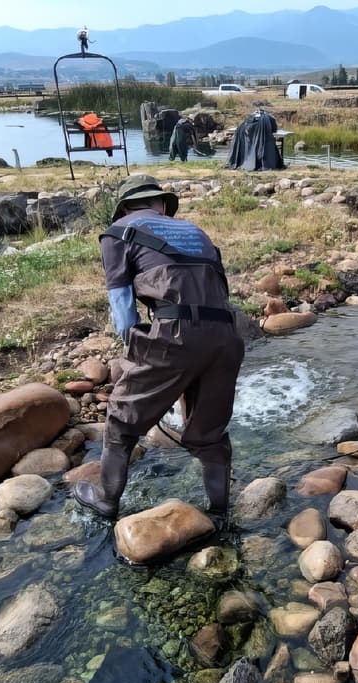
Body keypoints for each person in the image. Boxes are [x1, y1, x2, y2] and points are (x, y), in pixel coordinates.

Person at [73, 175, 244, 527]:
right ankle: (220, 511)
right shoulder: (197, 232)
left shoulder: (117, 232)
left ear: (124, 207)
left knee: (121, 421)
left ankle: (106, 500)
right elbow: (216, 288)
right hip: (227, 335)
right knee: (209, 435)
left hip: (174, 332)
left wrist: (133, 348)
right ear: (163, 204)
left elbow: (122, 308)